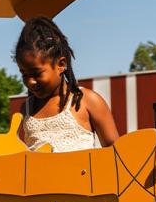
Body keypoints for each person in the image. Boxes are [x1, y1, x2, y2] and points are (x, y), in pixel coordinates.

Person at [13, 17, 119, 152]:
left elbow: (116, 153)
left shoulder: (87, 100)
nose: (30, 81)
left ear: (61, 64)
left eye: (37, 73)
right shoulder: (26, 109)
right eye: (24, 74)